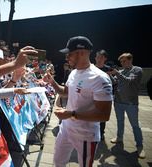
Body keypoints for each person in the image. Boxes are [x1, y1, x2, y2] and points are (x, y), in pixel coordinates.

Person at [43, 36, 113, 167]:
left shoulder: (100, 78)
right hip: (66, 129)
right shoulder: (73, 72)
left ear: (82, 52)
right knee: (58, 162)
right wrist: (52, 82)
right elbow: (65, 92)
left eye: (69, 54)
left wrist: (72, 114)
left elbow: (104, 115)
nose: (66, 58)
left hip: (86, 135)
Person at [109, 52, 145, 159]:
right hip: (118, 102)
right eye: (121, 61)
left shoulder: (137, 70)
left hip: (131, 103)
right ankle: (119, 138)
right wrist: (110, 76)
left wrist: (118, 74)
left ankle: (140, 146)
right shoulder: (121, 71)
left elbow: (130, 81)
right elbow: (115, 82)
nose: (122, 63)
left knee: (135, 125)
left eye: (124, 61)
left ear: (130, 60)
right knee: (120, 121)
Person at [95, 49, 111, 141]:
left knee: (102, 117)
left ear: (105, 58)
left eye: (101, 57)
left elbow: (113, 83)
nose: (98, 59)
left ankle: (101, 133)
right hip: (92, 96)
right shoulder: (91, 68)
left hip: (104, 97)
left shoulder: (108, 69)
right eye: (97, 57)